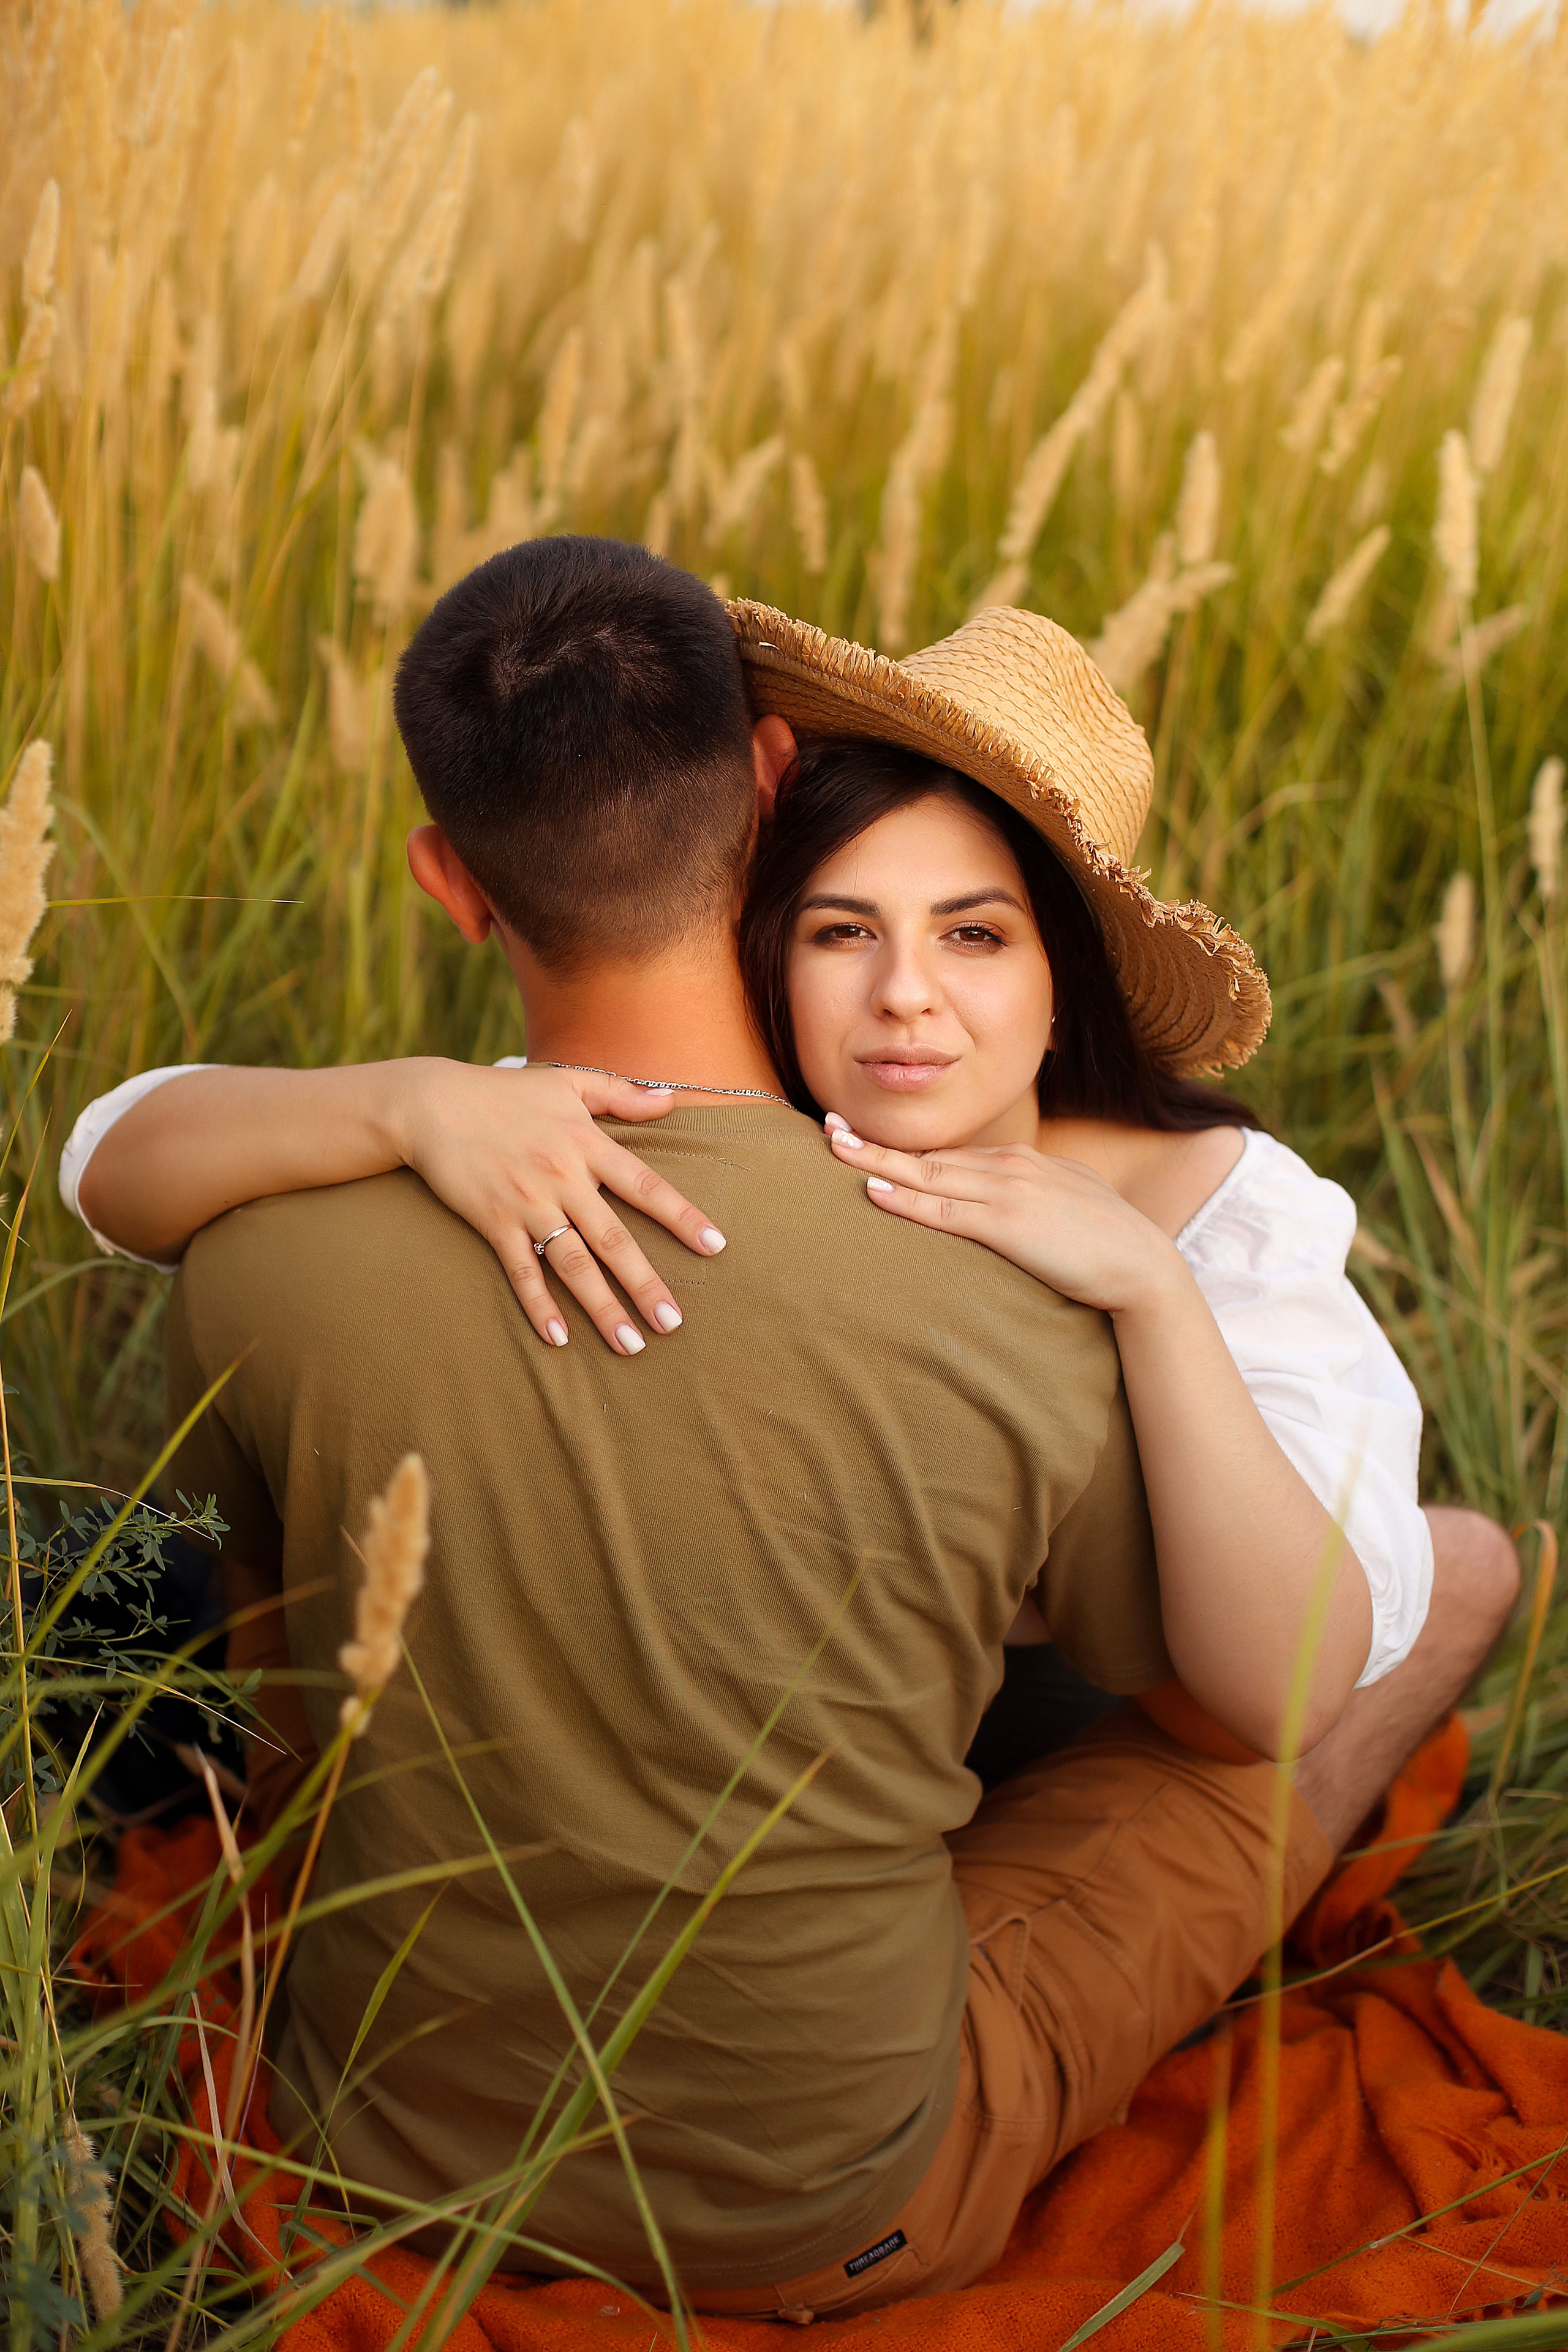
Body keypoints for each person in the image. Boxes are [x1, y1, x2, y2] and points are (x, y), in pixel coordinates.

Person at [66, 542, 1516, 2315]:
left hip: (377, 2132)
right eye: (852, 927)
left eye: (975, 932)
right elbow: (1256, 1709)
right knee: (1435, 1591)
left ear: (449, 883)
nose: (909, 993)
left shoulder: (267, 1246)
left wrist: (389, 1107)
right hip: (823, 2196)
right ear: (769, 804)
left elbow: (152, 1249)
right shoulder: (1011, 1319)